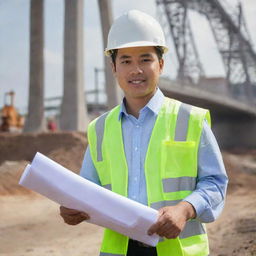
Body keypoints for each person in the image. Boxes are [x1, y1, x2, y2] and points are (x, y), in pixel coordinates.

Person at [60, 9, 228, 256]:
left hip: (177, 249)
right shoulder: (100, 129)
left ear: (160, 64)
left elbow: (215, 183)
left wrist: (185, 209)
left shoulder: (190, 119)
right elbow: (88, 190)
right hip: (120, 250)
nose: (135, 70)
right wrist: (74, 208)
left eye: (145, 59)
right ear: (114, 67)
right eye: (126, 60)